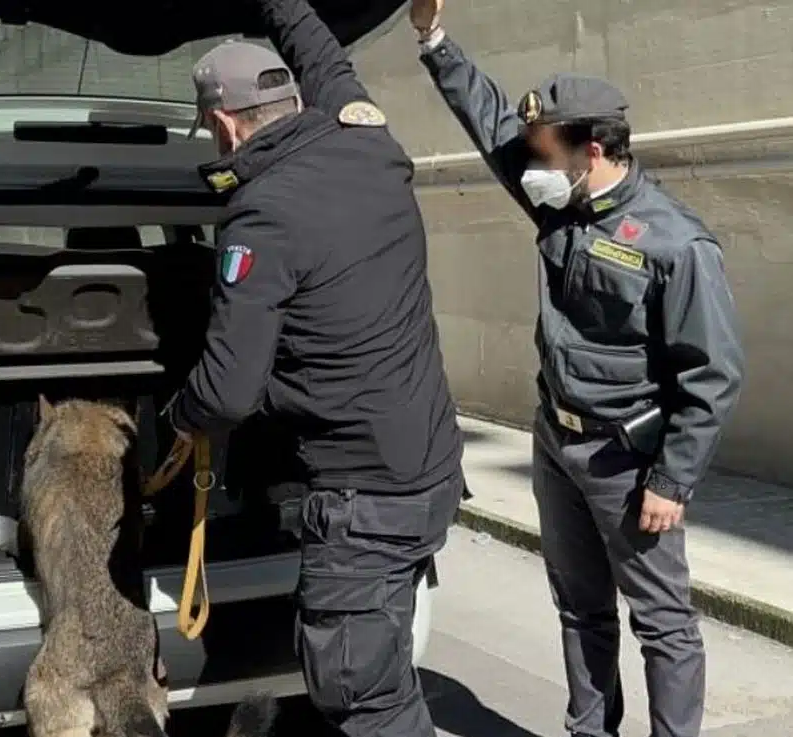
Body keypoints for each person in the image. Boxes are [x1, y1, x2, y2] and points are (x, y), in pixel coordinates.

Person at [409, 1, 745, 736]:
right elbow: (491, 120)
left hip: (628, 457)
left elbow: (713, 371)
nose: (529, 164)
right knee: (579, 606)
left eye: (544, 151)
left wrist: (672, 479)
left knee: (661, 622)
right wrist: (434, 41)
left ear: (591, 149)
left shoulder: (676, 244)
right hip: (556, 444)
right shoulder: (562, 206)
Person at [163, 0, 465, 734]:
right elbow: (326, 58)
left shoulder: (262, 214)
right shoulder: (372, 145)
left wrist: (174, 418)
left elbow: (229, 390)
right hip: (427, 475)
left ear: (225, 124)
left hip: (363, 504)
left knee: (368, 702)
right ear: (293, 100)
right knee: (387, 680)